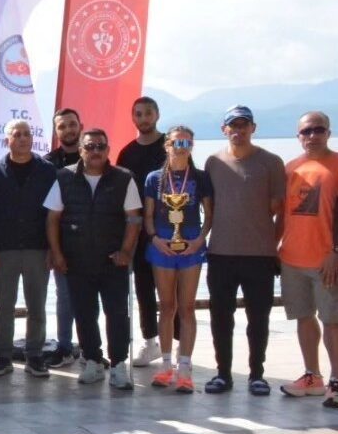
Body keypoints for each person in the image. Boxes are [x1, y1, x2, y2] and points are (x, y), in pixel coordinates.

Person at [46, 129, 143, 390]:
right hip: (76, 261)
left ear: (108, 150)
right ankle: (92, 361)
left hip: (113, 262)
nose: (96, 151)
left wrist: (126, 252)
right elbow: (53, 218)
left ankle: (119, 365)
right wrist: (57, 254)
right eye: (90, 146)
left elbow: (134, 218)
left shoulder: (124, 178)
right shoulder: (63, 177)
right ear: (81, 150)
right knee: (84, 314)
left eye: (101, 146)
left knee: (117, 314)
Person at [203, 105, 286, 396]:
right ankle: (223, 374)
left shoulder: (271, 162)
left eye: (243, 125)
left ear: (253, 128)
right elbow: (208, 208)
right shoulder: (213, 162)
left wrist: (274, 244)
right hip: (220, 253)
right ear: (224, 129)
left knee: (258, 318)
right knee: (220, 317)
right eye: (233, 125)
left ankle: (257, 375)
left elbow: (280, 209)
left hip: (260, 255)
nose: (238, 130)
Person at [0, 119, 58, 378]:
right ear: (7, 140)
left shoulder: (48, 171)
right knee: (4, 307)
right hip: (5, 250)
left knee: (37, 306)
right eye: (17, 134)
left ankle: (34, 356)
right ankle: (3, 357)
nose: (23, 138)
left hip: (38, 248)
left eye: (27, 134)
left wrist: (53, 248)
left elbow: (55, 212)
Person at [142, 125, 213, 392]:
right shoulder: (154, 178)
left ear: (192, 146)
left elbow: (210, 214)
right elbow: (148, 215)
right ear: (167, 145)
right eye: (176, 143)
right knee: (166, 306)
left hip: (191, 245)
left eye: (186, 143)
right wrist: (154, 239)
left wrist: (200, 240)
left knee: (187, 307)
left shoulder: (200, 177)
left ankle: (185, 367)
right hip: (162, 245)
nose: (181, 148)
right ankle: (165, 366)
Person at [276, 111, 338, 407]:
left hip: (326, 260)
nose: (312, 135)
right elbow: (281, 214)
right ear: (298, 136)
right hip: (292, 259)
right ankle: (312, 376)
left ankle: (336, 380)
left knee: (332, 321)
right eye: (306, 131)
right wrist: (273, 248)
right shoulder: (291, 168)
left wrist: (335, 252)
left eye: (318, 129)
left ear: (328, 132)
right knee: (303, 317)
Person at [116, 97, 170, 368]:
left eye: (148, 113)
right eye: (138, 114)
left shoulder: (171, 146)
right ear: (132, 118)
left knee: (171, 289)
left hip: (168, 229)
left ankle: (177, 345)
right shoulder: (127, 153)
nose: (143, 118)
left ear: (157, 115)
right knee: (143, 288)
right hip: (138, 230)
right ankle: (150, 342)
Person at [43, 107, 83, 368]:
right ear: (56, 132)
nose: (68, 130)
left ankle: (90, 348)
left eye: (72, 124)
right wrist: (51, 247)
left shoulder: (94, 155)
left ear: (80, 126)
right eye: (62, 126)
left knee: (90, 297)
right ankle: (65, 347)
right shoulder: (47, 164)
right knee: (65, 296)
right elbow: (44, 210)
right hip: (61, 240)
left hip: (92, 239)